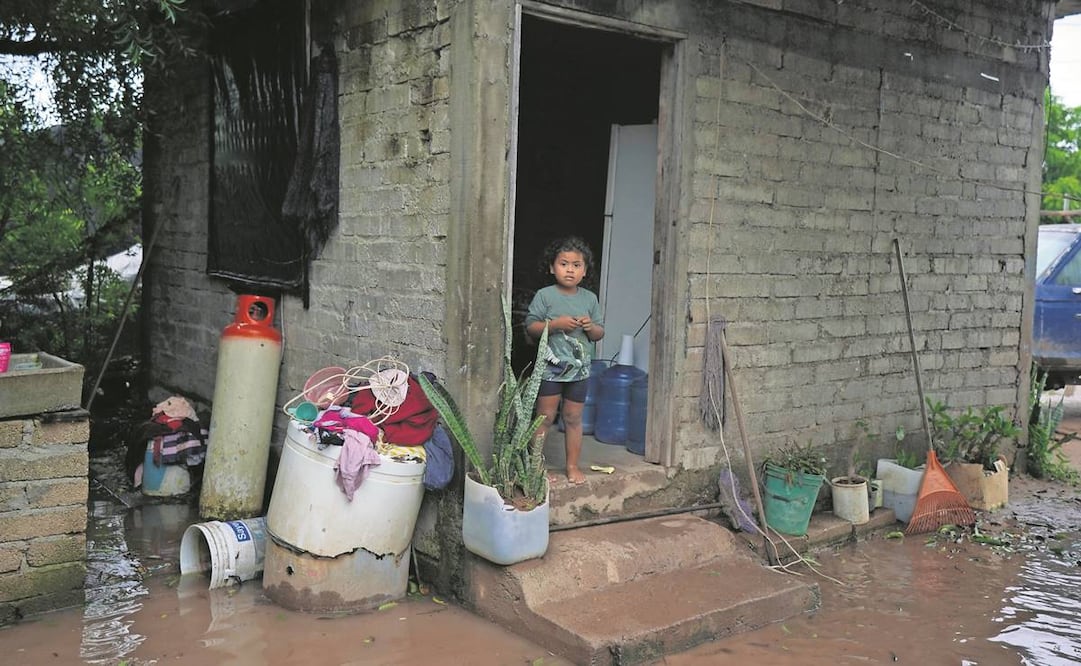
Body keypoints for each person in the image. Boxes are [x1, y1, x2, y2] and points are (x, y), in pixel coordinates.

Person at [525, 236, 605, 485]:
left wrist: (591, 327)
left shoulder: (589, 299)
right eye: (563, 263)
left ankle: (572, 466)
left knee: (573, 418)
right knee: (545, 417)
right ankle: (535, 468)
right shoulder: (545, 296)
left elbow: (599, 333)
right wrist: (555, 325)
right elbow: (531, 327)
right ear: (552, 267)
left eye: (576, 265)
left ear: (585, 270)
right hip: (550, 370)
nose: (570, 269)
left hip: (579, 373)